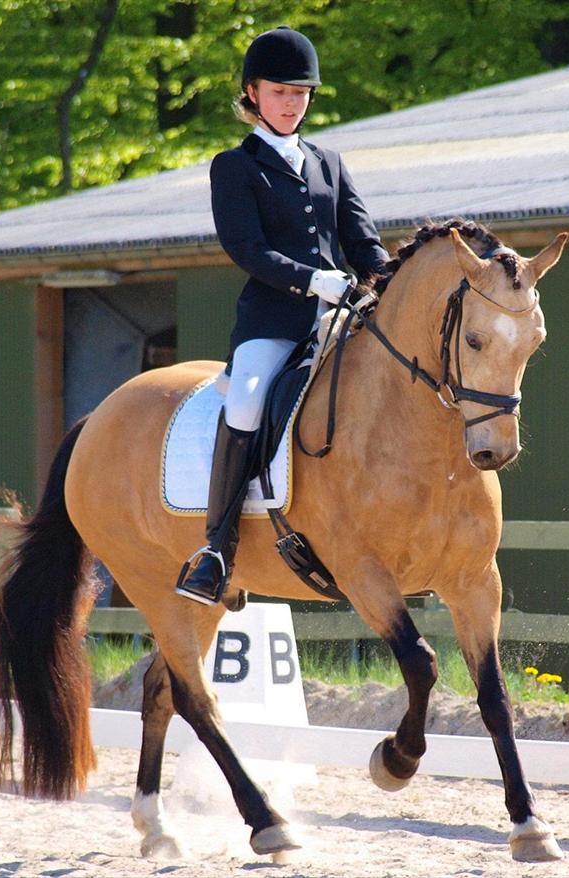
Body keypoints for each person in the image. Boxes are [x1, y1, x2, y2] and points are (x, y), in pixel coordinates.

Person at [176, 25, 389, 605]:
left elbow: (363, 241)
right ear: (253, 95)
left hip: (339, 319)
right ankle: (217, 549)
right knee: (244, 400)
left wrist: (389, 280)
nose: (292, 102)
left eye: (301, 93)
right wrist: (313, 279)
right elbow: (247, 249)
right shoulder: (234, 167)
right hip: (273, 323)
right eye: (280, 92)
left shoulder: (330, 162)